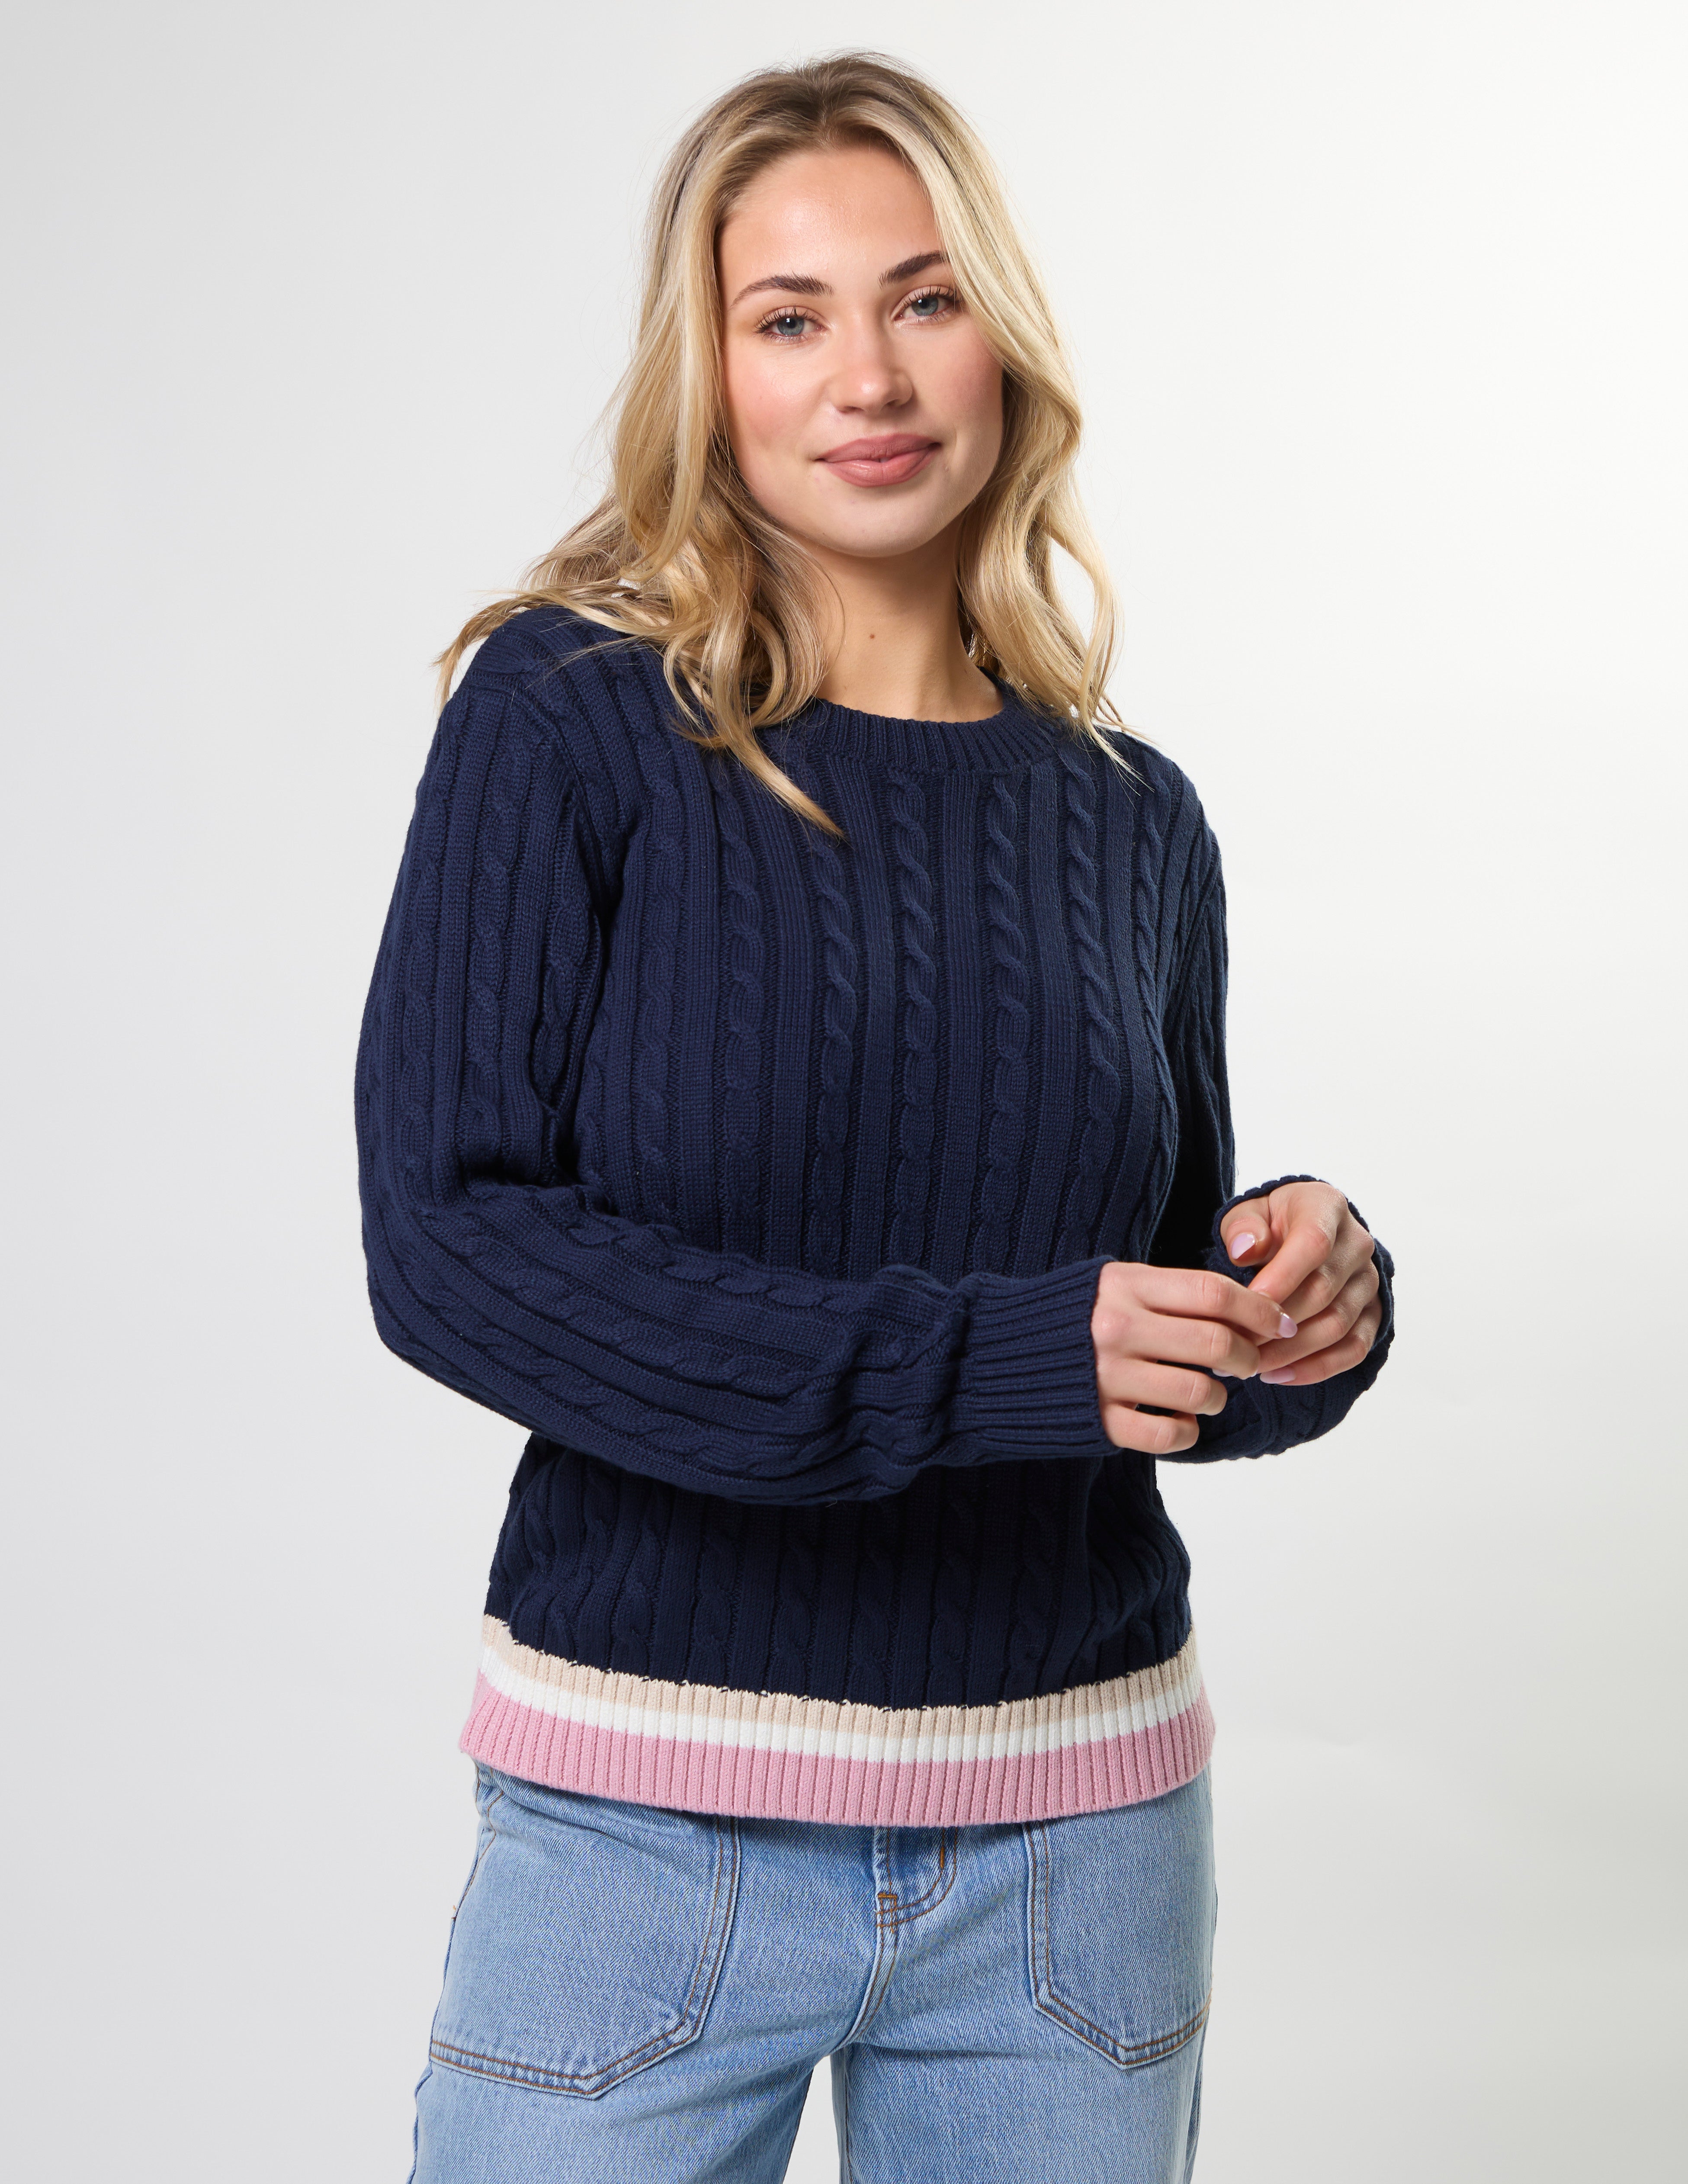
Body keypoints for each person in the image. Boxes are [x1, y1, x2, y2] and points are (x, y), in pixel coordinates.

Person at [354, 50, 1394, 2184]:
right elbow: (453, 1248)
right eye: (789, 317)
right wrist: (992, 1357)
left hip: (1075, 1853)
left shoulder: (1132, 818)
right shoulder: (568, 720)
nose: (869, 378)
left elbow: (1129, 1336)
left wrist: (1296, 1307)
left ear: (1001, 335)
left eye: (923, 299)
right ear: (710, 372)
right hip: (647, 1823)